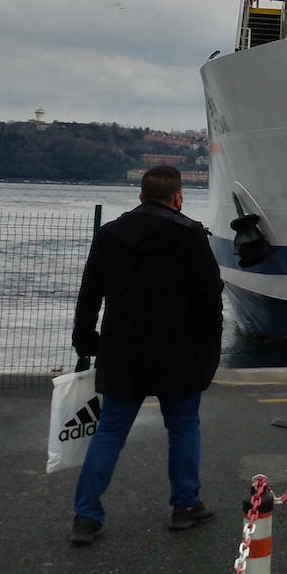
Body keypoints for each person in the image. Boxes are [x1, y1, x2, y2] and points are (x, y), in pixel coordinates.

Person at [68, 165, 224, 545]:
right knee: (184, 427)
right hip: (180, 354)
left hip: (123, 353)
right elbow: (209, 301)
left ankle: (86, 517)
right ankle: (185, 506)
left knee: (109, 432)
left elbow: (89, 295)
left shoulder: (109, 235)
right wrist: (211, 347)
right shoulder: (191, 237)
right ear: (178, 198)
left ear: (140, 196)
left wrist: (86, 341)